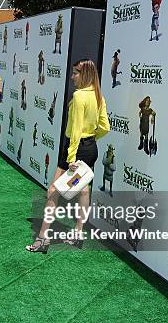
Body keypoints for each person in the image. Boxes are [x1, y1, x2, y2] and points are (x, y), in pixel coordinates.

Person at [26, 59, 110, 253]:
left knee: (53, 191)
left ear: (85, 74)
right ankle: (78, 234)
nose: (72, 77)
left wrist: (72, 158)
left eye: (75, 73)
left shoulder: (80, 96)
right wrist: (91, 139)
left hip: (75, 150)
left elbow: (77, 130)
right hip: (90, 149)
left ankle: (42, 239)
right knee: (84, 191)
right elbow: (105, 127)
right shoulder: (98, 96)